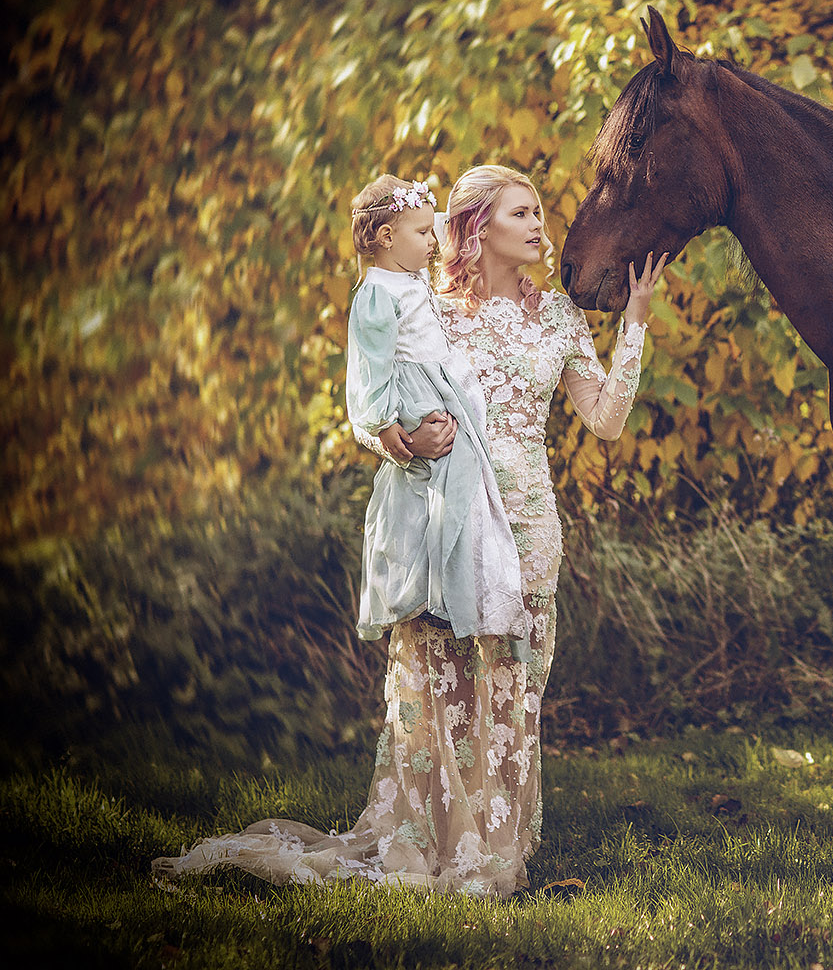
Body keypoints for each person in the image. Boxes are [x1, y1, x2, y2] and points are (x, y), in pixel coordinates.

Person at [153, 165, 667, 896]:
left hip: (528, 520)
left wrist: (636, 321)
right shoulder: (429, 308)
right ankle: (434, 840)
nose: (540, 226)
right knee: (441, 680)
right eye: (522, 213)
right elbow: (372, 402)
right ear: (478, 227)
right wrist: (401, 442)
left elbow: (608, 421)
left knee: (514, 685)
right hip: (445, 514)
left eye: (539, 212)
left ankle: (492, 843)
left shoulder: (559, 318)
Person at [343, 174, 526, 653]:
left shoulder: (408, 268)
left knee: (465, 487)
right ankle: (439, 593)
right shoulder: (378, 293)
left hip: (444, 387)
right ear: (386, 239)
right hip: (417, 396)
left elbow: (446, 223)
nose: (434, 240)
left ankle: (467, 589)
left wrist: (430, 203)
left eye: (432, 231)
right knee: (434, 489)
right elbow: (371, 371)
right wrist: (390, 429)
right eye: (423, 233)